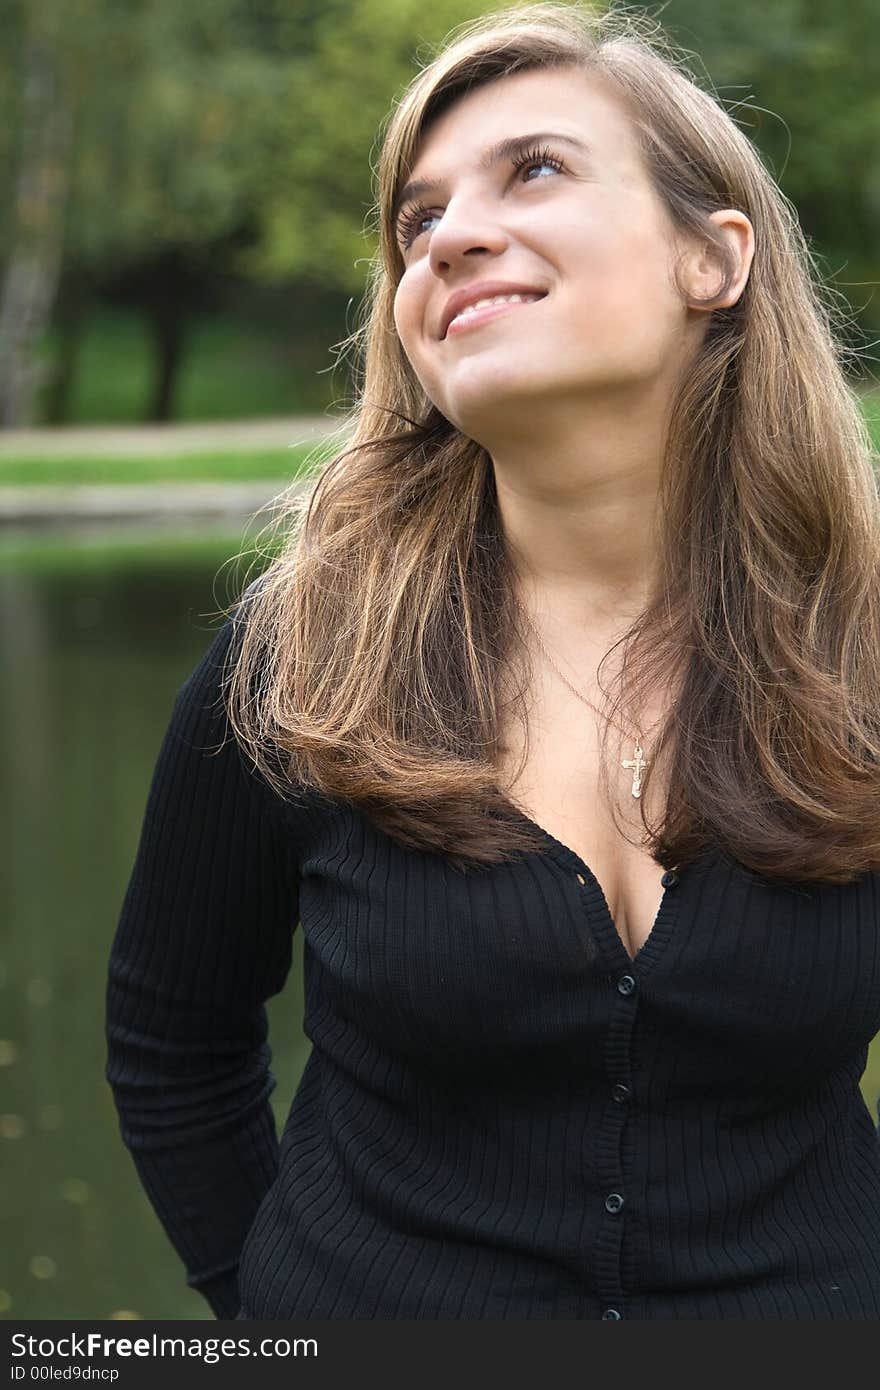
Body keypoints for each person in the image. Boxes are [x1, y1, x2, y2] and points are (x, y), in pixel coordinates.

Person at [105, 2, 880, 1320]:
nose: (448, 237)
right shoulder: (299, 663)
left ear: (715, 259)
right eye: (415, 222)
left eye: (534, 169)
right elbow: (171, 1038)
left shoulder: (862, 645)